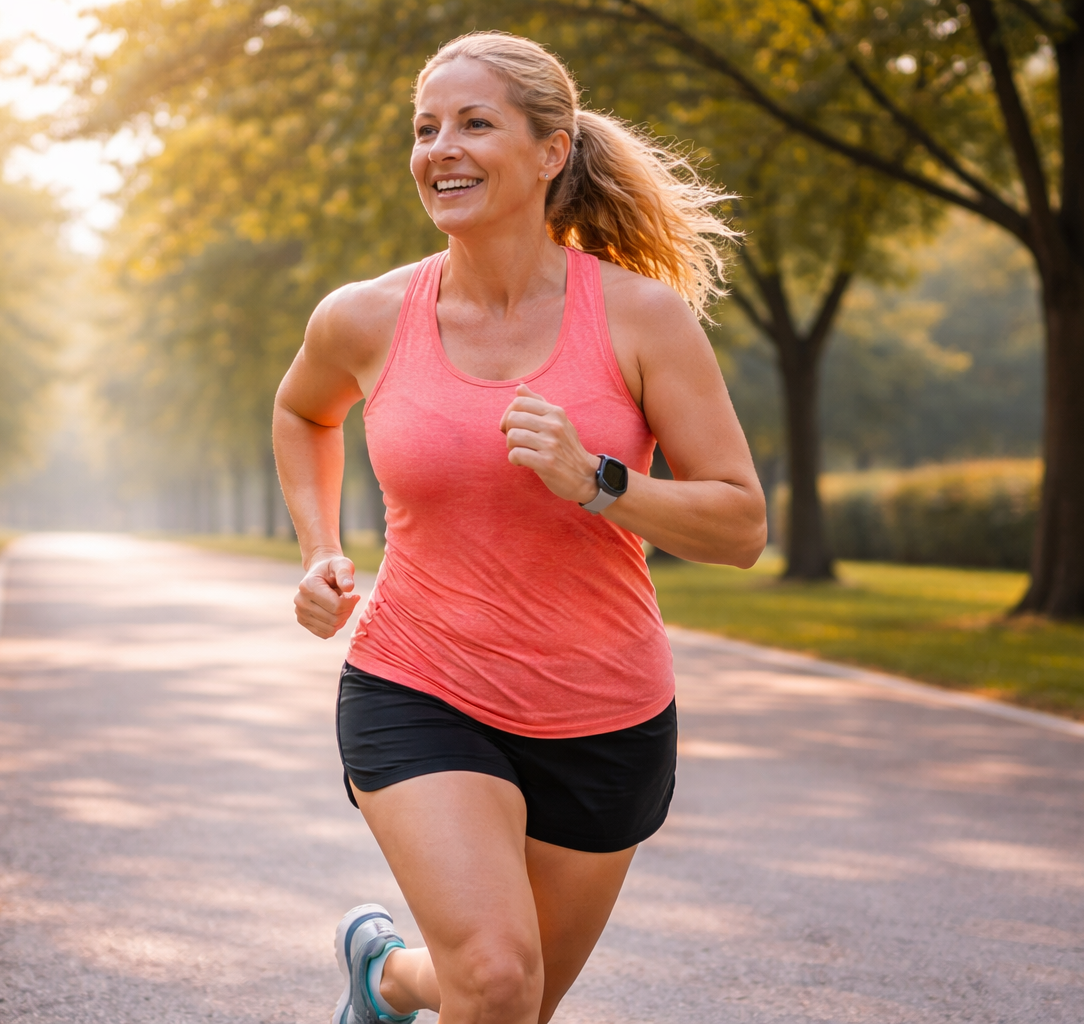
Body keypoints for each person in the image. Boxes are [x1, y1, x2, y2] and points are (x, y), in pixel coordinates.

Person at [273, 31, 767, 1024]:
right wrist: (320, 549)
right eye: (424, 128)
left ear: (551, 151)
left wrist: (599, 481)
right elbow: (302, 412)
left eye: (473, 123)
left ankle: (381, 978)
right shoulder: (366, 317)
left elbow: (741, 522)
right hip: (420, 683)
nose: (438, 148)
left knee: (507, 1000)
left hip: (606, 716)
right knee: (497, 977)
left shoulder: (640, 319)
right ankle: (400, 978)